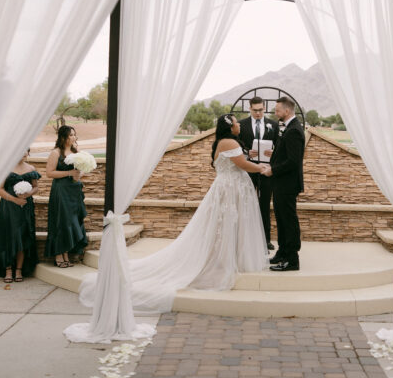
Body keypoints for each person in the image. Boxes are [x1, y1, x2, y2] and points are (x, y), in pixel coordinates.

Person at [79, 113, 269, 312]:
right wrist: (262, 168)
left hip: (228, 188)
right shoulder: (229, 142)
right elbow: (242, 164)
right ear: (230, 127)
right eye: (237, 123)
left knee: (225, 225)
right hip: (230, 189)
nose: (239, 125)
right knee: (226, 224)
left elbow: (236, 161)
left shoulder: (224, 141)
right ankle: (221, 262)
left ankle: (227, 258)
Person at [0, 150, 41, 283]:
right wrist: (14, 200)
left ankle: (18, 270)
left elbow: (36, 187)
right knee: (9, 236)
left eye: (26, 150)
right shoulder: (5, 167)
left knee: (23, 236)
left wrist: (28, 194)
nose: (23, 152)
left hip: (26, 206)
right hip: (9, 207)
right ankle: (8, 270)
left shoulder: (31, 168)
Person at [267, 97, 305, 272]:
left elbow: (293, 161)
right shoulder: (288, 128)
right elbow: (286, 154)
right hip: (281, 184)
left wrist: (272, 170)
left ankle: (292, 259)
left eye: (277, 110)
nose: (275, 113)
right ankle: (282, 252)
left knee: (288, 221)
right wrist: (273, 156)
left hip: (287, 185)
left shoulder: (295, 130)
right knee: (281, 220)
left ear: (287, 111)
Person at [45, 125, 88, 268]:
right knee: (61, 221)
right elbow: (50, 173)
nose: (74, 137)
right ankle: (59, 253)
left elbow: (81, 170)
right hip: (61, 191)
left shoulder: (77, 151)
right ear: (63, 137)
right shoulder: (56, 153)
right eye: (71, 135)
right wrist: (68, 173)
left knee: (72, 221)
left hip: (74, 191)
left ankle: (66, 253)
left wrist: (78, 175)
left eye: (75, 135)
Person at [239, 96, 278, 250]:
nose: (258, 113)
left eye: (261, 110)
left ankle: (266, 240)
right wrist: (247, 153)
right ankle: (246, 239)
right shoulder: (241, 125)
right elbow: (236, 146)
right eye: (255, 110)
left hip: (266, 171)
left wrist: (273, 153)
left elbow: (279, 146)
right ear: (250, 109)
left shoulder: (273, 125)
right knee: (246, 204)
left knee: (264, 205)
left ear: (264, 108)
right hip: (248, 170)